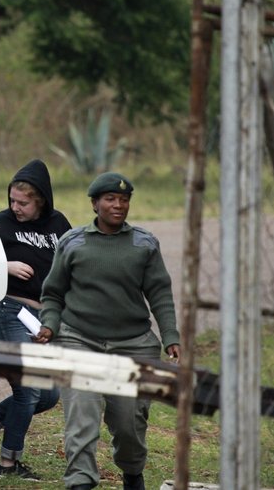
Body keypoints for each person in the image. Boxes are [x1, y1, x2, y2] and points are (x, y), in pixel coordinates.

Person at [36, 171, 181, 490]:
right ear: (94, 204)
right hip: (78, 340)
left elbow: (159, 292)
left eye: (124, 200)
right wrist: (49, 325)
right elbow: (53, 293)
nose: (119, 205)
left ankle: (132, 473)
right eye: (111, 199)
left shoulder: (144, 243)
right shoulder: (73, 242)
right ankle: (81, 480)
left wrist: (171, 336)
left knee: (129, 423)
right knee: (81, 414)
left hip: (134, 345)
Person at [0, 159, 72, 481]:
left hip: (40, 318)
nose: (15, 207)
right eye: (12, 200)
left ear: (41, 201)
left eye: (23, 202)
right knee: (29, 386)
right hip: (4, 310)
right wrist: (3, 265)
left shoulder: (59, 224)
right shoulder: (1, 224)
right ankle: (8, 464)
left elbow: (74, 261)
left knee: (48, 394)